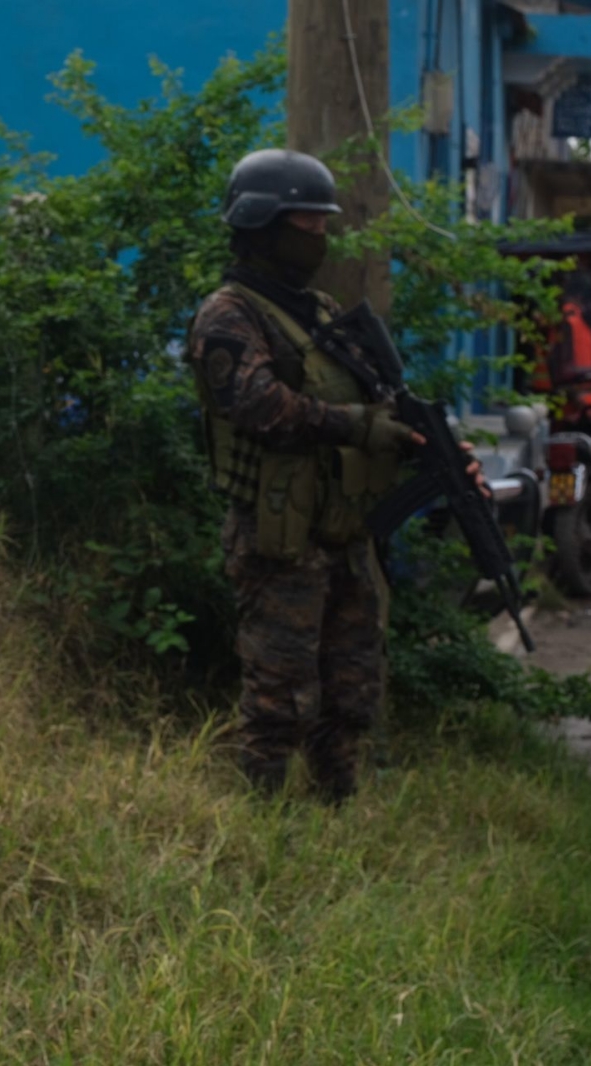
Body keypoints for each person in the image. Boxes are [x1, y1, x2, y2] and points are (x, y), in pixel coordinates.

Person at [186, 149, 420, 803]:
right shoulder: (228, 316)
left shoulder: (318, 310)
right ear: (262, 227)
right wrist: (358, 427)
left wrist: (415, 438)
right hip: (278, 536)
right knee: (279, 695)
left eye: (324, 224)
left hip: (342, 528)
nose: (319, 237)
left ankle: (336, 813)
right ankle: (258, 825)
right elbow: (260, 406)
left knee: (351, 689)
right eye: (306, 224)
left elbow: (379, 397)